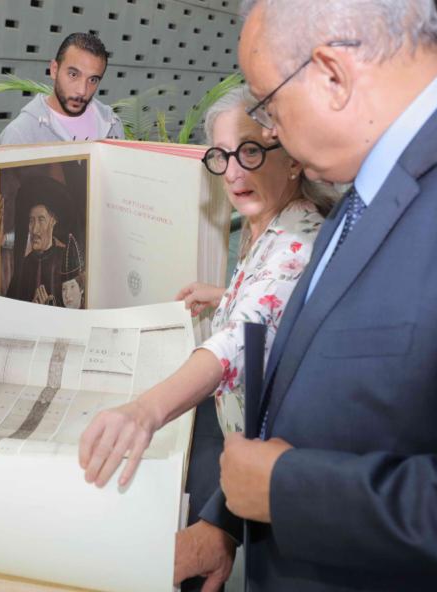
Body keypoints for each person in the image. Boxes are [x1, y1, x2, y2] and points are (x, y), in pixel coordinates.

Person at [183, 0, 437, 590]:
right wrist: (224, 521)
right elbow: (323, 395)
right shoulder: (364, 183)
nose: (270, 129)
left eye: (267, 104)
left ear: (333, 74)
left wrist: (291, 492)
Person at [78, 86, 331, 568]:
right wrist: (224, 296)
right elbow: (267, 303)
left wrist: (145, 411)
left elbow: (240, 341)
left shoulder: (297, 239)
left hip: (267, 471)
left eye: (250, 151)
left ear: (292, 157)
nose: (233, 172)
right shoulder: (270, 220)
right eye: (222, 157)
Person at [0, 32, 124, 145]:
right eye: (73, 74)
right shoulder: (20, 134)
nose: (82, 91)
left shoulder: (112, 123)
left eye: (93, 80)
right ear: (54, 69)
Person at [6, 186, 68, 306]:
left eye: (41, 220)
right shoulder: (24, 265)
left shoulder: (65, 260)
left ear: (53, 221)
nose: (34, 230)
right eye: (31, 221)